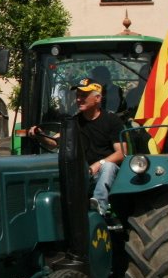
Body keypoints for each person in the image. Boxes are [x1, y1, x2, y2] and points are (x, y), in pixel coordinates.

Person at [28, 77, 124, 215]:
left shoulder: (112, 121)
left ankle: (98, 207)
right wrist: (40, 134)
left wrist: (98, 164)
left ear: (97, 98)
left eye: (84, 96)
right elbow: (55, 142)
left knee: (108, 167)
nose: (78, 99)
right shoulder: (74, 122)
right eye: (77, 96)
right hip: (81, 173)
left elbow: (121, 153)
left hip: (105, 174)